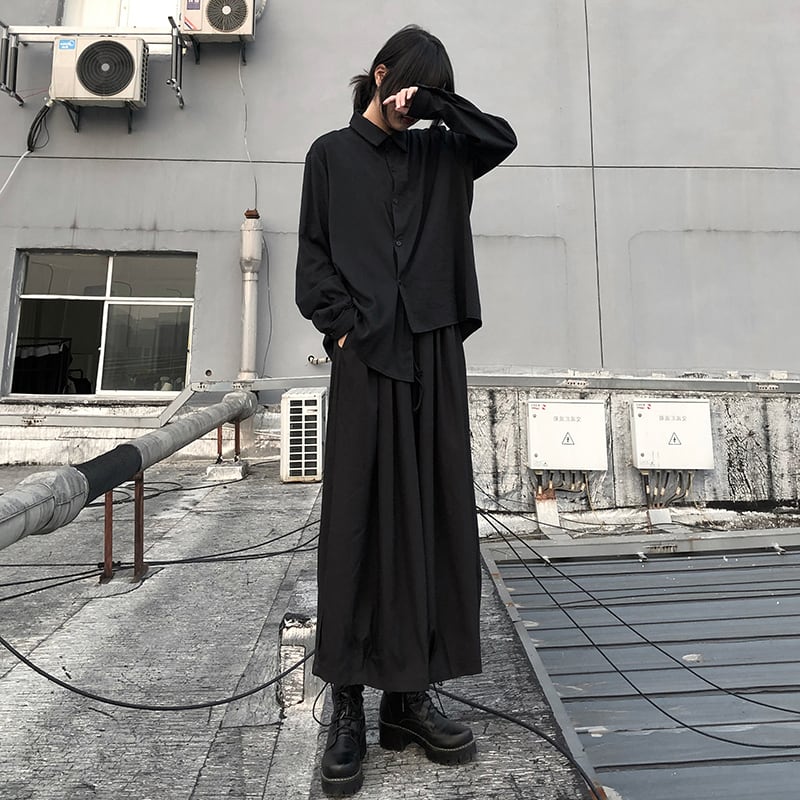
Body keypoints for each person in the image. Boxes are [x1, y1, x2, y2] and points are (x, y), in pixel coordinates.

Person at [295, 24, 516, 796]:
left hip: (434, 355)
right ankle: (348, 704)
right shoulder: (330, 155)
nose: (414, 103)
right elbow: (313, 256)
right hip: (366, 359)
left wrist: (438, 105)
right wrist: (343, 329)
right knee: (356, 525)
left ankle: (409, 699)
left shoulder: (440, 151)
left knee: (432, 520)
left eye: (431, 92)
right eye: (409, 85)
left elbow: (500, 139)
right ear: (381, 72)